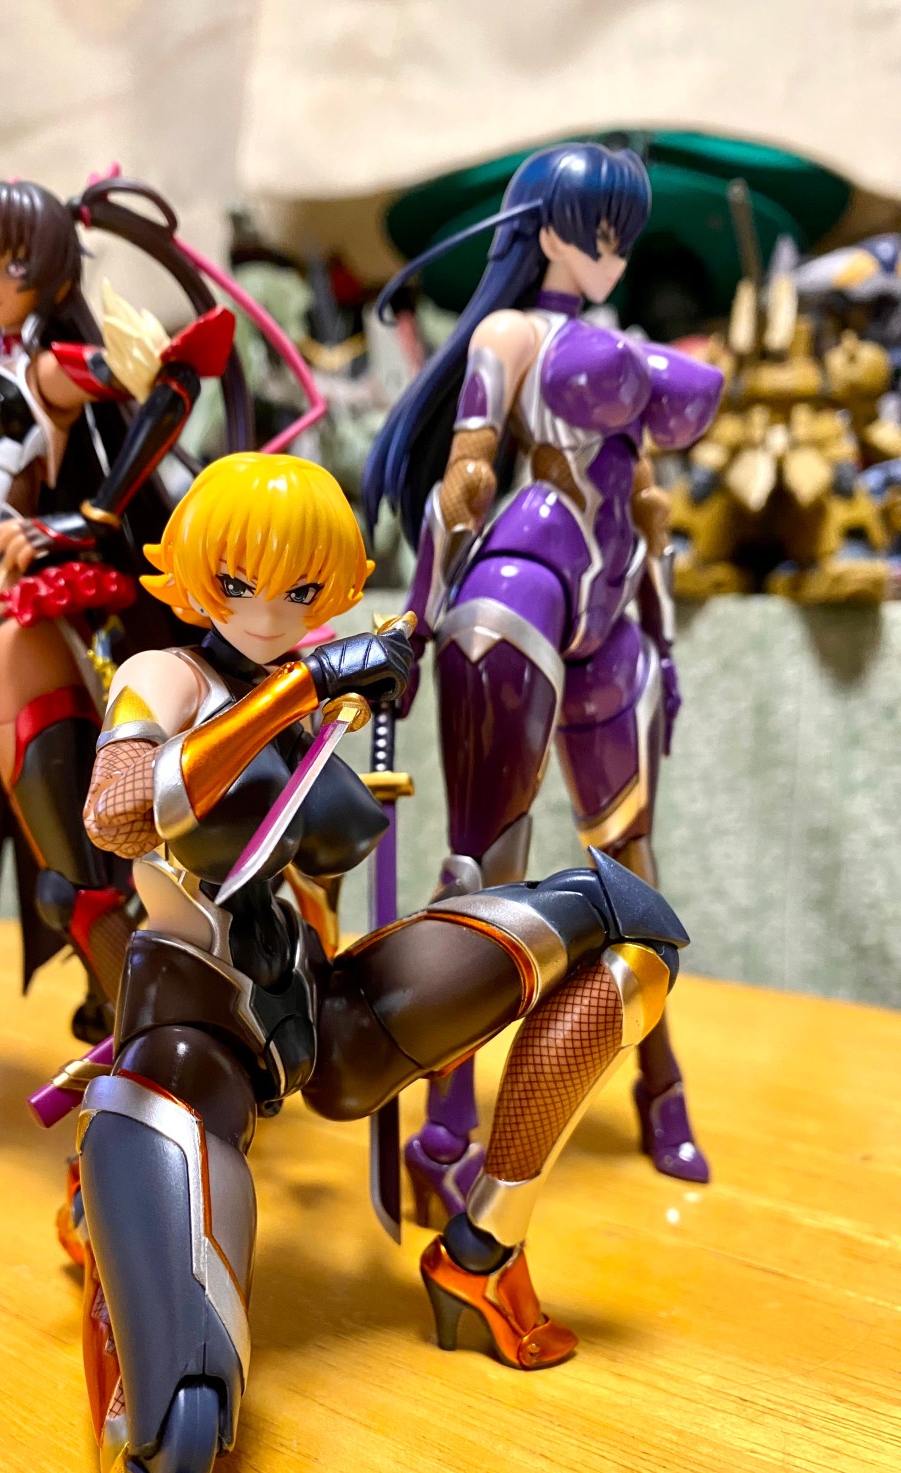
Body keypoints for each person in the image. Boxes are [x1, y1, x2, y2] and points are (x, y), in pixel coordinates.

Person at [66, 450, 687, 1473]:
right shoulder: (168, 678)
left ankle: (484, 1250)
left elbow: (330, 846)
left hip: (323, 1009)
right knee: (180, 1432)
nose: (269, 611)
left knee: (632, 929)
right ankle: (108, 1211)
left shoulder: (316, 692)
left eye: (301, 589)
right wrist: (299, 690)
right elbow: (118, 813)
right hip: (195, 1033)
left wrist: (346, 697)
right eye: (239, 582)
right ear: (196, 575)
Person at [0, 176, 249, 1148]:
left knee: (80, 884)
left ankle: (152, 1075)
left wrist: (89, 516)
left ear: (55, 273)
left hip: (11, 631)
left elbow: (182, 371)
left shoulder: (51, 371)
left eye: (14, 264)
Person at [362, 142, 723, 1217]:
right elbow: (470, 465)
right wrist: (426, 589)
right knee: (486, 868)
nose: (611, 251)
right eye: (594, 228)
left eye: (624, 232)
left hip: (610, 606)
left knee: (632, 859)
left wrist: (660, 582)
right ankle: (446, 1114)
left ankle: (661, 1080)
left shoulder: (625, 349)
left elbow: (644, 489)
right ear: (544, 227)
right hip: (524, 581)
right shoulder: (508, 335)